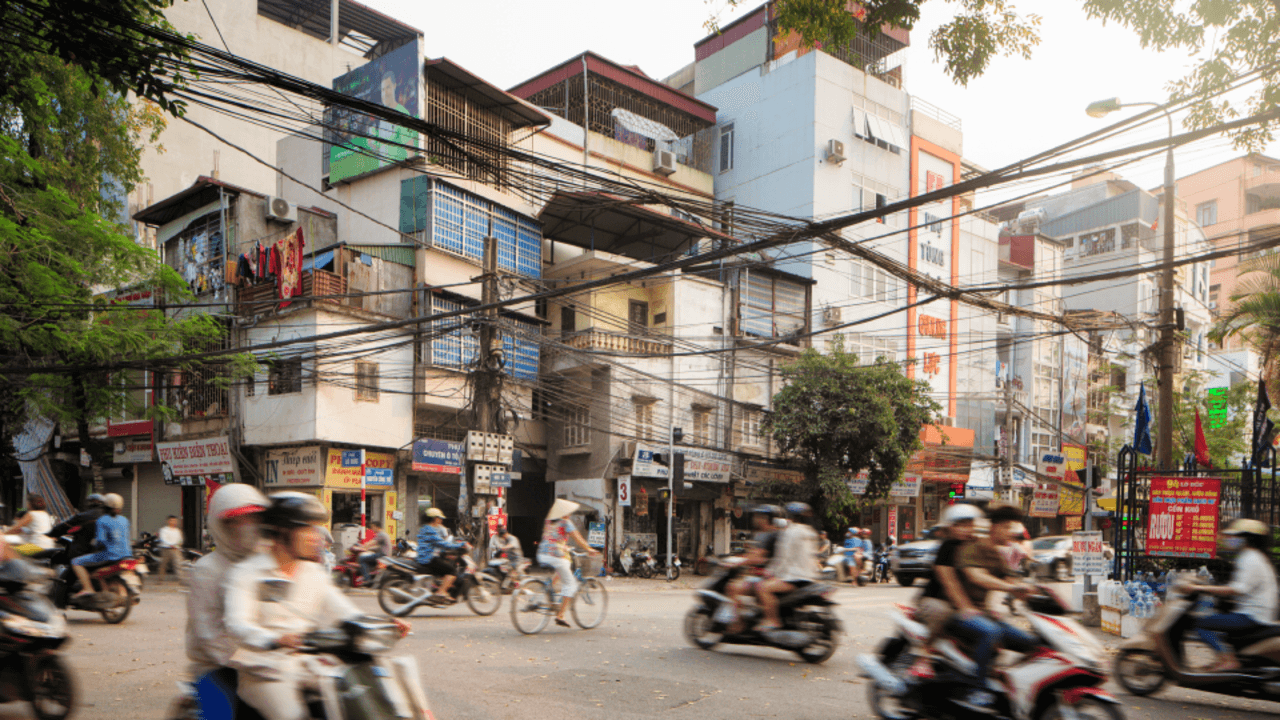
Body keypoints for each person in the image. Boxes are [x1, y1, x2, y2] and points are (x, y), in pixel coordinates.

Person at [225, 492, 408, 720]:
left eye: (316, 529)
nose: (317, 537)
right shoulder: (247, 573)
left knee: (365, 697)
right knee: (292, 715)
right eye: (308, 529)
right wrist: (275, 639)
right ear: (282, 531)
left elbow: (346, 612)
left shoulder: (314, 573)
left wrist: (384, 624)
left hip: (310, 663)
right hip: (264, 671)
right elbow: (237, 624)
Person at [952, 504, 1037, 710]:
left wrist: (1036, 593)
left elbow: (1013, 580)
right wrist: (1011, 586)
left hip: (984, 614)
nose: (1012, 533)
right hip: (961, 612)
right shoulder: (972, 548)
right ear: (995, 527)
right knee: (991, 632)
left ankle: (1006, 683)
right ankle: (977, 690)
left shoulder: (1001, 554)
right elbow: (977, 576)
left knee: (1032, 643)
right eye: (1008, 527)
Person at [187, 483, 269, 678]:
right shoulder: (207, 570)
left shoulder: (267, 561)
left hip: (271, 659)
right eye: (238, 520)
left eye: (254, 518)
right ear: (221, 526)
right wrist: (247, 662)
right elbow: (208, 633)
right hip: (217, 667)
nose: (249, 526)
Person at [1192, 519, 1279, 672]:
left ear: (1246, 539)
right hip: (1256, 613)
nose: (1230, 539)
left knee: (1201, 624)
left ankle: (1228, 659)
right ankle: (1222, 659)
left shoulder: (1250, 558)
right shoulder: (1254, 557)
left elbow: (1238, 589)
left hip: (1252, 616)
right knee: (1218, 617)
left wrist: (1201, 588)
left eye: (1235, 536)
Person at [916, 503, 984, 641]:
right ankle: (924, 654)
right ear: (950, 527)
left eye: (969, 525)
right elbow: (950, 582)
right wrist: (965, 607)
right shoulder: (947, 548)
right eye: (960, 525)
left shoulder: (975, 545)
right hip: (936, 599)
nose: (966, 530)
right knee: (940, 613)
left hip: (963, 602)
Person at [756, 501, 820, 633]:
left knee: (762, 587)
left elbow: (782, 557)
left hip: (794, 578)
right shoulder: (810, 532)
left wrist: (769, 572)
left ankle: (772, 620)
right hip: (811, 577)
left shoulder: (789, 532)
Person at [537, 499, 599, 628]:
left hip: (542, 554)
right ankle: (561, 615)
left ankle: (549, 588)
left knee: (563, 567)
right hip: (555, 556)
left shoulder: (548, 522)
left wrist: (564, 547)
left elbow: (551, 539)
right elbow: (578, 538)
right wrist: (589, 549)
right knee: (570, 584)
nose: (569, 514)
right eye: (568, 512)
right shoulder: (566, 522)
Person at [725, 505, 783, 624]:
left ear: (765, 518)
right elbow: (751, 553)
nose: (754, 519)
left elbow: (757, 557)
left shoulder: (771, 534)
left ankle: (738, 624)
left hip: (768, 575)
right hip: (760, 573)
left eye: (758, 516)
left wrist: (736, 562)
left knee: (733, 588)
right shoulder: (761, 534)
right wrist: (736, 558)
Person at [70, 493, 131, 599]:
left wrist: (95, 547)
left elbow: (100, 540)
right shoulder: (124, 520)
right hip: (126, 554)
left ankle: (88, 588)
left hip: (109, 555)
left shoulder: (102, 520)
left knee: (76, 562)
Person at [416, 508, 469, 602]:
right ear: (434, 518)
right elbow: (443, 544)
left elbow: (440, 543)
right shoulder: (430, 530)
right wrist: (461, 544)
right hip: (428, 559)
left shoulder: (424, 528)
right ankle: (441, 592)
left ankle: (440, 587)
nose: (441, 520)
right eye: (439, 518)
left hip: (424, 557)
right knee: (452, 571)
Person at [48, 494, 106, 561]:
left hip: (84, 552)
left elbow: (64, 526)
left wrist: (51, 533)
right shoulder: (111, 517)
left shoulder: (84, 516)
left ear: (93, 502)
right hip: (104, 552)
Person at [353, 521, 392, 586]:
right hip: (384, 555)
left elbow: (372, 542)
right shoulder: (382, 534)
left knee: (361, 558)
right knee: (367, 559)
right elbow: (377, 546)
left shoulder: (381, 534)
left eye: (373, 527)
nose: (372, 529)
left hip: (382, 555)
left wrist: (362, 546)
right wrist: (368, 549)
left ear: (377, 527)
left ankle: (367, 579)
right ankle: (370, 576)